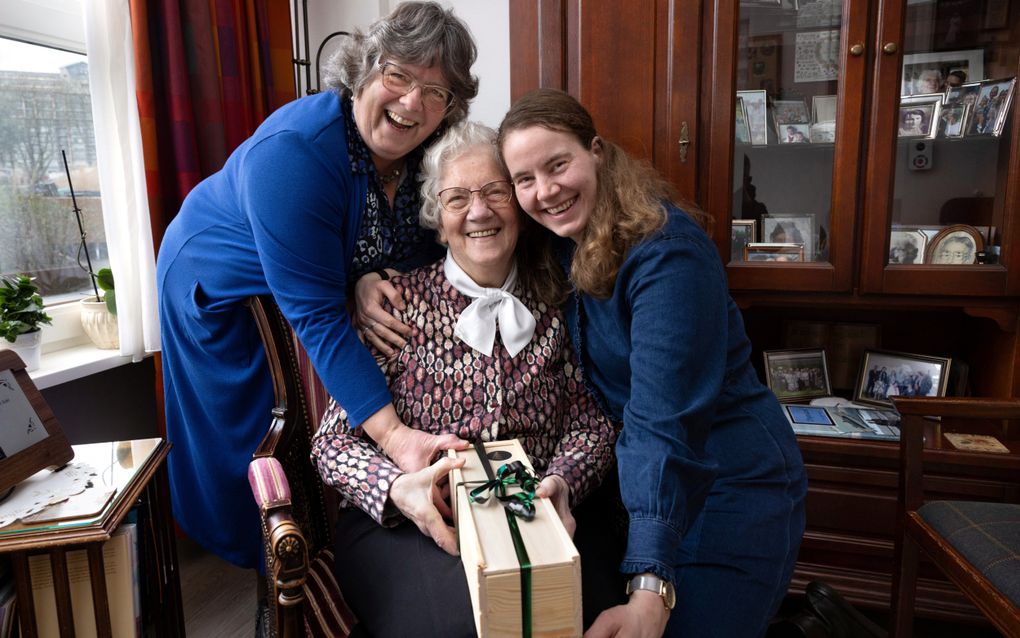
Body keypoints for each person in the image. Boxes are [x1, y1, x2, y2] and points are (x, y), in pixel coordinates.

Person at [155, 1, 479, 570]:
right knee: (261, 427)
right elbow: (318, 317)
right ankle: (276, 560)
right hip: (217, 276)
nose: (412, 103)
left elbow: (420, 253)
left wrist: (364, 278)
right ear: (364, 69)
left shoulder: (424, 153)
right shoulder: (296, 152)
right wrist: (398, 440)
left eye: (436, 93)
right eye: (398, 75)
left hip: (308, 276)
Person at [497, 89, 807, 637]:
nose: (545, 191)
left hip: (730, 486)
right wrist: (365, 282)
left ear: (595, 151)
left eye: (558, 164)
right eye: (525, 179)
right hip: (649, 493)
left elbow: (662, 422)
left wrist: (649, 582)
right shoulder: (562, 241)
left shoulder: (667, 254)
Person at [312, 121, 621, 635]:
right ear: (437, 216)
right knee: (465, 623)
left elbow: (593, 421)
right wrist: (396, 489)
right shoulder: (395, 304)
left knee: (583, 616)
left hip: (537, 515)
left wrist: (563, 480)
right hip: (412, 526)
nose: (479, 211)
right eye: (457, 198)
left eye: (495, 192)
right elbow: (330, 442)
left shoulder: (559, 300)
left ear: (520, 205)